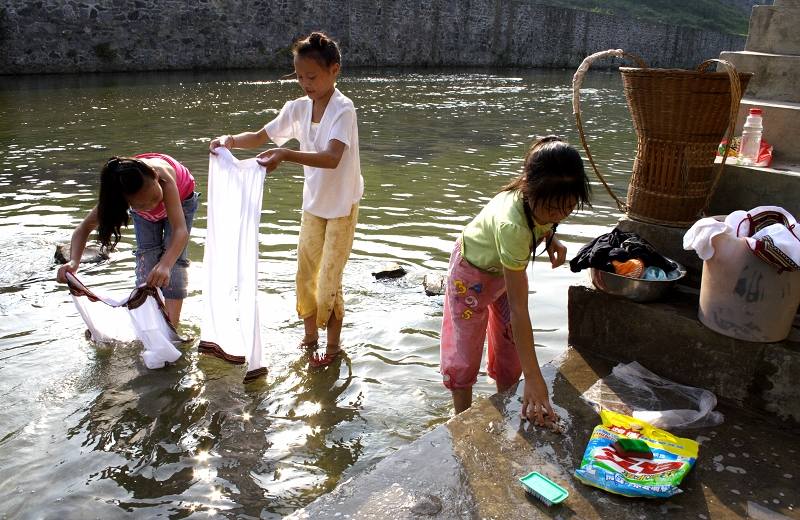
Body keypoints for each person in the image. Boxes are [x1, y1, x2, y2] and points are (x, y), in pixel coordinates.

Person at [209, 31, 363, 367]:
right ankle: (310, 339)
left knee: (328, 281)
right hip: (313, 204)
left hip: (341, 206)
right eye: (300, 77)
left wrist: (287, 155)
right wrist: (230, 140)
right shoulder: (297, 108)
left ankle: (333, 348)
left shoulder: (343, 109)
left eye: (313, 76)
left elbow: (332, 157)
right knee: (305, 276)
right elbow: (262, 136)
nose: (306, 84)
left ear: (334, 70)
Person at [439, 136, 591, 426]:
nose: (559, 215)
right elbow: (522, 310)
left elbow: (542, 220)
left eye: (567, 208)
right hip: (470, 276)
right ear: (530, 190)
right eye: (552, 210)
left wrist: (551, 236)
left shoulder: (539, 203)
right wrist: (534, 378)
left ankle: (507, 403)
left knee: (509, 345)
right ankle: (461, 420)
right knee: (465, 349)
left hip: (505, 274)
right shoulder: (513, 226)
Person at [56, 154, 199, 326]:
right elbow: (82, 229)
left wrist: (166, 264)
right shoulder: (120, 196)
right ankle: (149, 323)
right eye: (141, 204)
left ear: (154, 176)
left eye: (154, 198)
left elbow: (180, 230)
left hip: (181, 200)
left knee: (174, 263)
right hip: (145, 218)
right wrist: (74, 262)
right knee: (147, 260)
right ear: (124, 202)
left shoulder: (163, 178)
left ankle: (171, 327)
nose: (152, 206)